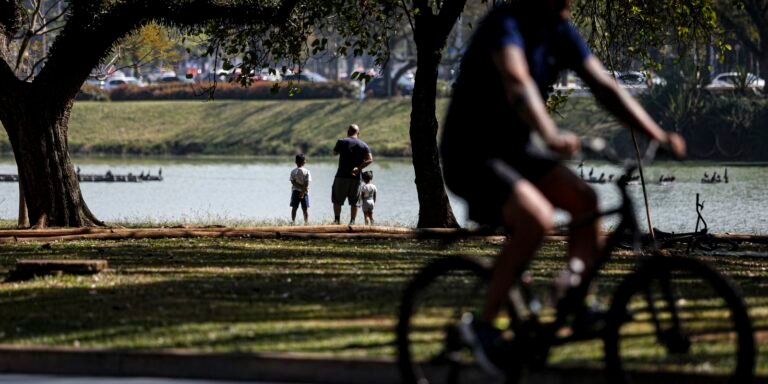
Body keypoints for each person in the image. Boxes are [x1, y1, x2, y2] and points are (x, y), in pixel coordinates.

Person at [439, 0, 686, 372]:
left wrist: (657, 133)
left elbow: (604, 86)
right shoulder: (506, 23)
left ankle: (576, 298)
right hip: (471, 153)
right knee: (536, 219)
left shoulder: (559, 30)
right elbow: (517, 81)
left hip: (514, 149)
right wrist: (550, 132)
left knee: (585, 198)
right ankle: (485, 326)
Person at [332, 124, 373, 224]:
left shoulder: (341, 141)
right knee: (355, 202)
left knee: (337, 200)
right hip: (356, 178)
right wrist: (358, 168)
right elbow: (370, 160)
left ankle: (337, 220)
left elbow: (334, 153)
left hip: (341, 176)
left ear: (348, 132)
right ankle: (352, 222)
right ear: (358, 133)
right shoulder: (364, 145)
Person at [289, 154, 311, 225]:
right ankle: (306, 223)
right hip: (305, 192)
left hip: (295, 192)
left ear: (295, 162)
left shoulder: (293, 171)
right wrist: (303, 191)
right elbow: (307, 183)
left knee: (294, 208)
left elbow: (293, 182)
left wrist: (300, 188)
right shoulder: (307, 171)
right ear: (304, 162)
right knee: (305, 209)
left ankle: (293, 222)